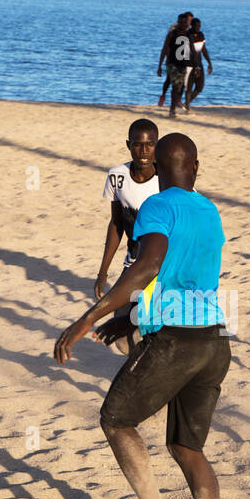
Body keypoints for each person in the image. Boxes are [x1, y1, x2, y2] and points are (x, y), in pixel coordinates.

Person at [54, 133, 239, 499]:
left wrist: (88, 319)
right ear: (196, 166)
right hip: (214, 341)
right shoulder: (209, 210)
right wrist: (134, 318)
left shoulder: (157, 206)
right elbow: (185, 276)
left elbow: (150, 265)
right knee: (186, 447)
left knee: (116, 419)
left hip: (174, 343)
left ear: (156, 166)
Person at [94, 119, 160, 355]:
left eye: (150, 144)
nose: (144, 151)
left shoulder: (168, 180)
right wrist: (103, 272)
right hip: (133, 264)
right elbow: (116, 223)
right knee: (122, 337)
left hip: (163, 268)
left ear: (157, 146)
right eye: (137, 144)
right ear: (128, 145)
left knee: (158, 330)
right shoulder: (117, 176)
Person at [156, 13, 196, 117]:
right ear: (178, 22)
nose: (183, 24)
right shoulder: (172, 34)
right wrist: (160, 65)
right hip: (172, 63)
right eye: (180, 22)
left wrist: (196, 66)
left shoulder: (189, 35)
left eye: (185, 22)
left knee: (179, 87)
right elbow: (164, 49)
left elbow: (192, 51)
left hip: (183, 64)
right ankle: (172, 110)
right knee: (174, 86)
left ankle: (173, 108)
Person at [186, 18, 213, 107]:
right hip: (189, 64)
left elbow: (203, 49)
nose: (198, 28)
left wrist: (209, 62)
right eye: (196, 26)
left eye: (199, 26)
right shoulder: (187, 35)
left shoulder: (201, 35)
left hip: (199, 63)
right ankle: (187, 106)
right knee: (189, 87)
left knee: (199, 87)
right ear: (191, 26)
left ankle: (187, 103)